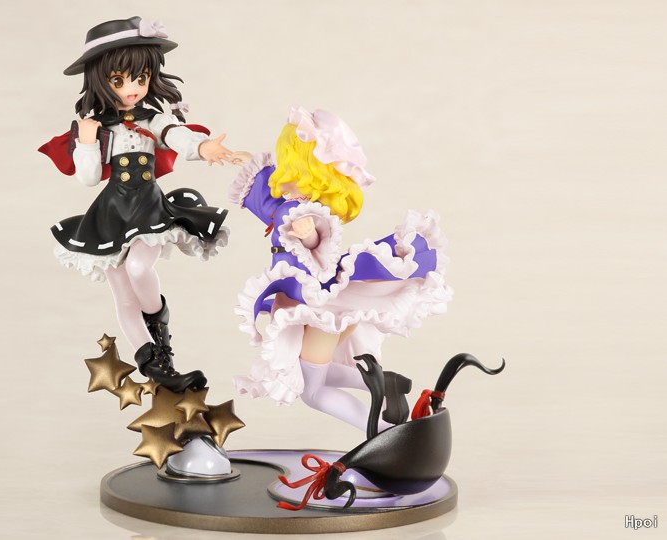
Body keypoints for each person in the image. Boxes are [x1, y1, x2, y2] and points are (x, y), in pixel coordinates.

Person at [39, 16, 233, 392]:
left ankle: (159, 324)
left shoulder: (153, 119)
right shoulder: (94, 127)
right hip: (111, 211)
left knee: (140, 267)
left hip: (148, 206)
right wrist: (87, 142)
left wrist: (202, 148)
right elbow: (89, 178)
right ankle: (155, 364)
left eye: (141, 78)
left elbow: (175, 135)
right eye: (119, 80)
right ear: (100, 80)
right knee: (122, 292)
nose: (132, 89)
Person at [230, 106, 452, 431]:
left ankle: (381, 433)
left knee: (313, 392)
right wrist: (250, 162)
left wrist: (309, 236)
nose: (282, 170)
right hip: (307, 306)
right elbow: (267, 203)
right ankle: (385, 383)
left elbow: (321, 244)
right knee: (306, 374)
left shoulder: (312, 214)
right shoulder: (288, 206)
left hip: (322, 310)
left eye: (288, 162)